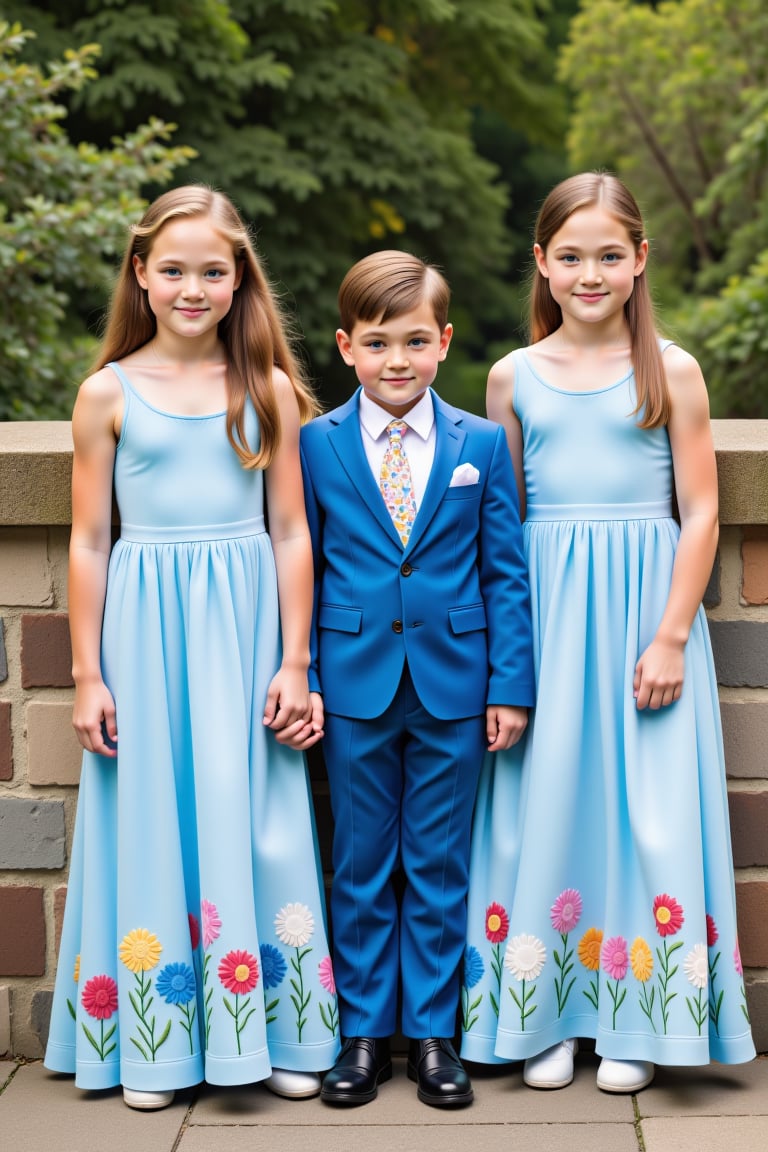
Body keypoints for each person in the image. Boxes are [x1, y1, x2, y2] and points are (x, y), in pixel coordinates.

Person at [44, 185, 340, 1110]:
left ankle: (282, 1028)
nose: (193, 287)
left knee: (260, 810)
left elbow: (292, 532)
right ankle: (157, 1042)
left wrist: (295, 662)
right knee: (156, 818)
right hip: (145, 633)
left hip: (247, 629)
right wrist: (89, 674)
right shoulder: (108, 394)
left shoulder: (270, 392)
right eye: (173, 270)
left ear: (239, 277)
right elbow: (89, 540)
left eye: (214, 271)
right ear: (140, 274)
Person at [460, 172, 756, 1093]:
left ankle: (642, 1015)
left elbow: (700, 511)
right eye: (572, 257)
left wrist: (671, 634)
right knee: (542, 803)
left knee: (648, 811)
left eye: (610, 256)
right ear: (543, 264)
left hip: (642, 614)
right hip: (545, 613)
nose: (592, 274)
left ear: (639, 262)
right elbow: (498, 524)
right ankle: (544, 1012)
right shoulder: (513, 377)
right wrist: (505, 655)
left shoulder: (671, 369)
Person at [299, 250, 535, 1109]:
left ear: (442, 342)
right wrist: (312, 676)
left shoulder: (481, 442)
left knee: (438, 862)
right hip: (355, 684)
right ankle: (362, 1037)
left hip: (458, 686)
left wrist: (511, 684)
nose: (395, 361)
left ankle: (435, 1037)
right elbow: (308, 572)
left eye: (413, 341)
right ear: (345, 347)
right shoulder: (315, 445)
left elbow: (504, 572)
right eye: (375, 343)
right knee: (360, 861)